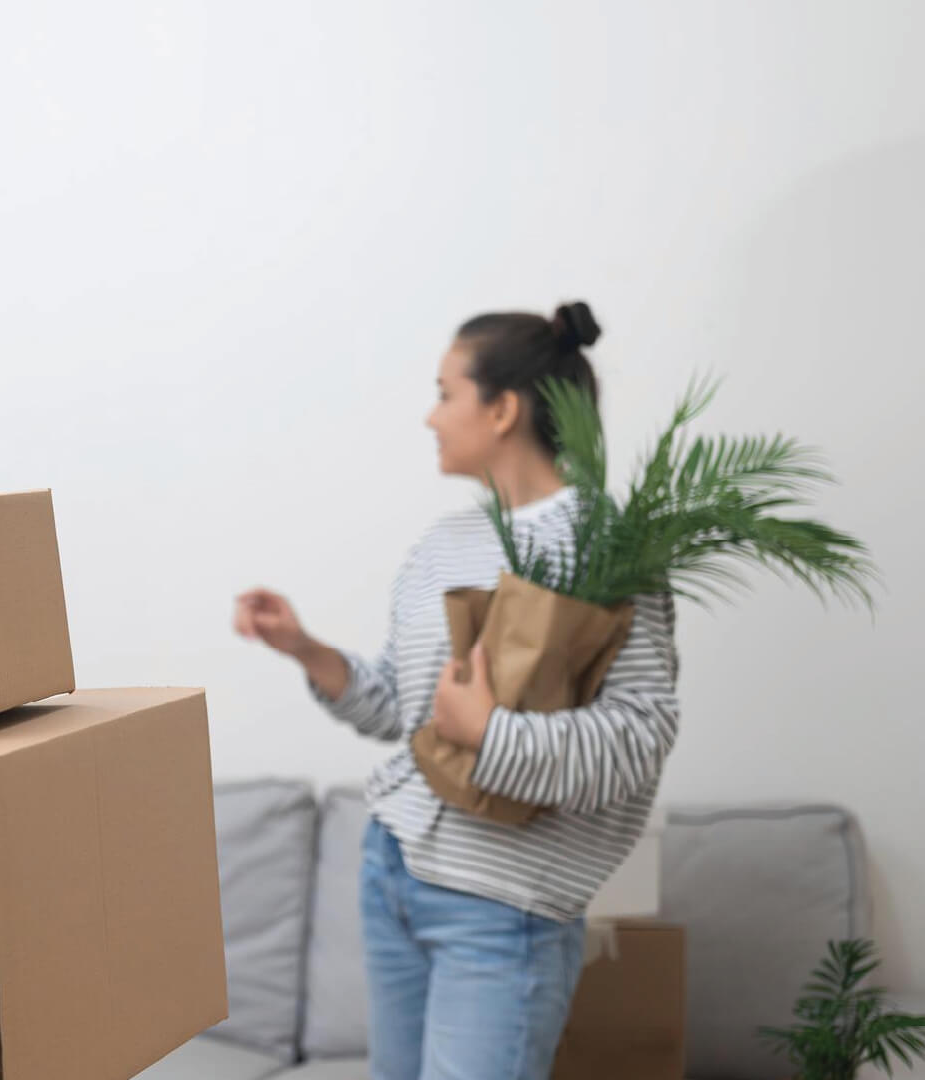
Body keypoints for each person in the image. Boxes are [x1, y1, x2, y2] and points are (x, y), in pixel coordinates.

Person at [234, 303, 680, 1080]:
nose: (429, 417)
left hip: (503, 909)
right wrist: (305, 649)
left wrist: (489, 734)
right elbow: (407, 717)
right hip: (391, 873)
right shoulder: (443, 546)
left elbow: (639, 739)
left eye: (445, 393)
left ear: (504, 409)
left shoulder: (611, 546)